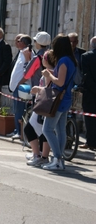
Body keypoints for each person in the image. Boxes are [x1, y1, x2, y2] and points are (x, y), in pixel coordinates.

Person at [40, 35, 77, 170]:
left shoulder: (63, 61)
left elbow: (60, 82)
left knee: (47, 129)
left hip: (58, 100)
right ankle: (59, 160)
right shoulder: (71, 60)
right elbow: (64, 78)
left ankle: (57, 158)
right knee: (60, 130)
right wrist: (52, 72)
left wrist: (49, 75)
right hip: (65, 99)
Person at [25, 50, 54, 166]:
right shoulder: (49, 71)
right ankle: (40, 155)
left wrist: (37, 88)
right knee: (42, 131)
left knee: (30, 129)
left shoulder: (49, 72)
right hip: (42, 104)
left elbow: (49, 89)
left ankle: (39, 155)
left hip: (44, 105)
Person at [7, 35, 33, 139]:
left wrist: (20, 83)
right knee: (17, 109)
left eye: (19, 41)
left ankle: (19, 131)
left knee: (19, 109)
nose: (17, 42)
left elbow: (27, 71)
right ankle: (16, 129)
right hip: (17, 87)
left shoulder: (27, 53)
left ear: (23, 43)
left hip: (22, 87)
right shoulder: (21, 53)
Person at [79, 37, 96, 150]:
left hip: (90, 92)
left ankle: (90, 142)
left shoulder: (86, 56)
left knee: (90, 119)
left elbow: (86, 76)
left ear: (91, 45)